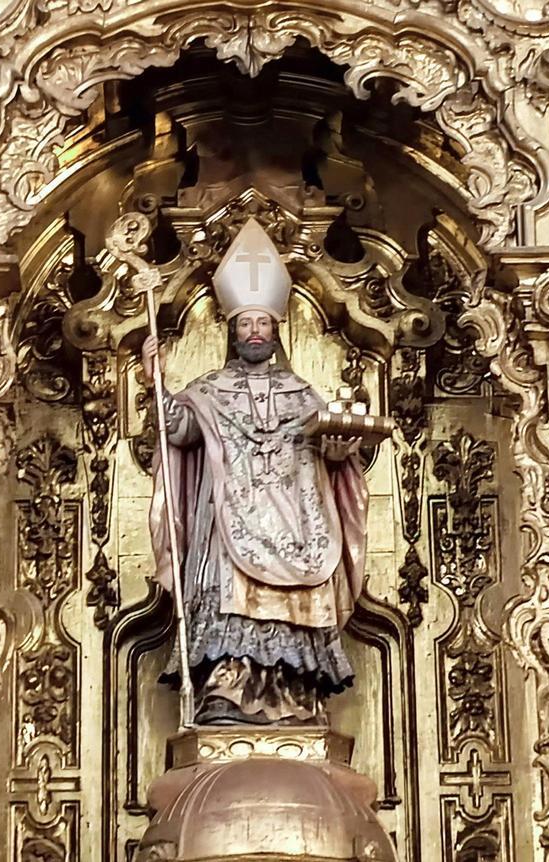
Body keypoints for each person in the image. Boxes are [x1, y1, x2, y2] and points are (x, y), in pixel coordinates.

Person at [144, 218, 368, 725]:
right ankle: (228, 690)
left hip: (295, 517)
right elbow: (176, 431)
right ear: (233, 332)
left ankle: (292, 696)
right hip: (228, 520)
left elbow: (333, 454)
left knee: (294, 597)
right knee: (230, 596)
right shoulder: (209, 389)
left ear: (275, 330)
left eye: (262, 324)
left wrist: (337, 451)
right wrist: (155, 380)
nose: (254, 332)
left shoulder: (304, 393)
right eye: (244, 324)